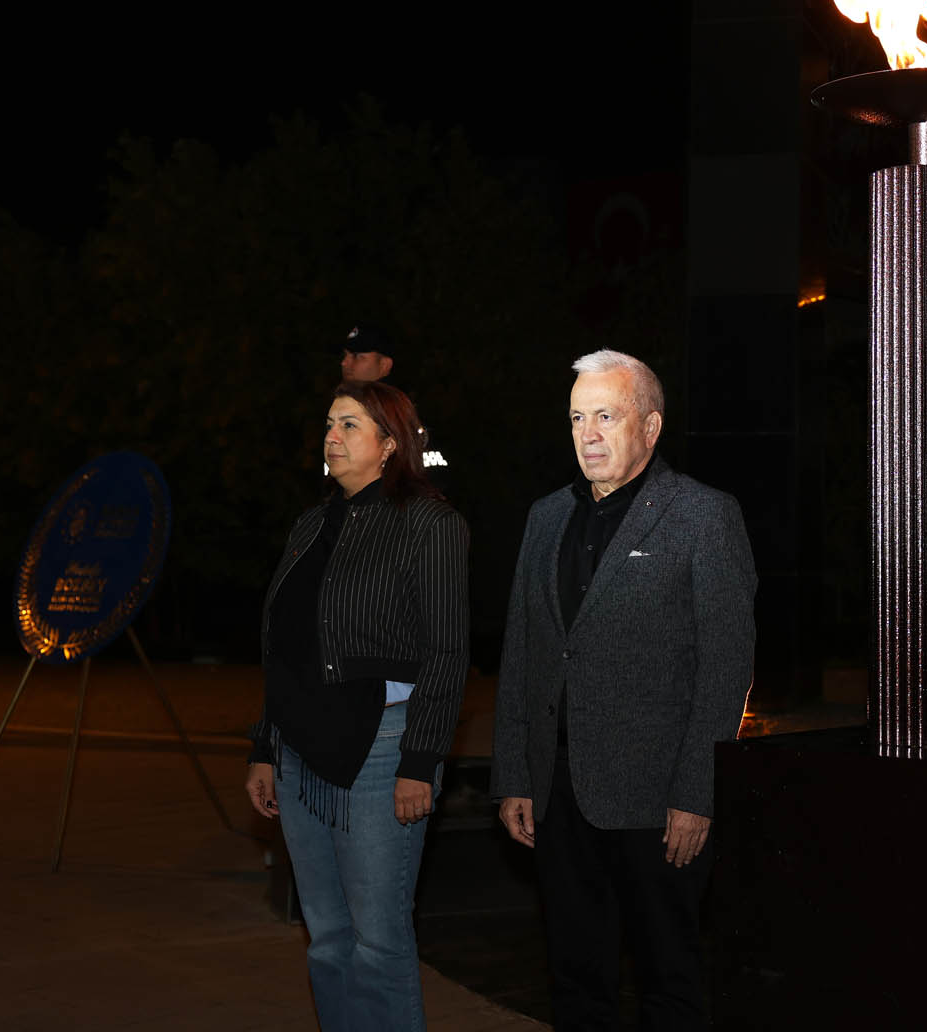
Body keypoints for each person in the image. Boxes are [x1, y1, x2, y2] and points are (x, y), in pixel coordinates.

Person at [492, 349, 756, 1031]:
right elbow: (523, 653)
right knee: (575, 979)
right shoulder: (546, 517)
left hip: (656, 803)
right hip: (557, 795)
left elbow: (725, 667)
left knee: (669, 979)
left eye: (606, 416)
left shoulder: (702, 515)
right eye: (577, 418)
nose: (588, 434)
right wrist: (514, 774)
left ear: (650, 426)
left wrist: (696, 794)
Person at [245, 379, 469, 1032]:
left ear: (389, 444)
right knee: (326, 937)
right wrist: (264, 747)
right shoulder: (310, 524)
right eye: (328, 424)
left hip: (382, 749)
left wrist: (420, 761)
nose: (332, 437)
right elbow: (283, 648)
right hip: (298, 751)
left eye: (349, 425)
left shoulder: (429, 522)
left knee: (378, 940)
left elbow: (448, 652)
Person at [336, 322, 451, 484]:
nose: (345, 363)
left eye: (357, 356)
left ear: (384, 365)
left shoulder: (404, 414)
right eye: (345, 355)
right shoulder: (339, 413)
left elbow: (432, 477)